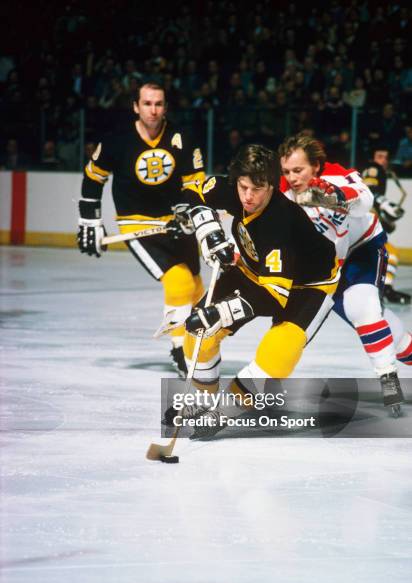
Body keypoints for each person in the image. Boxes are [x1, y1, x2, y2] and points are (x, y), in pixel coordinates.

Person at [165, 144, 340, 434]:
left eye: (257, 189)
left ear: (272, 185)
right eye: (243, 187)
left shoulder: (280, 221)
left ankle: (221, 412)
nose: (248, 197)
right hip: (253, 269)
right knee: (197, 334)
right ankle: (200, 402)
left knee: (278, 354)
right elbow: (194, 190)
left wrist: (222, 312)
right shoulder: (237, 189)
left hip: (308, 286)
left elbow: (272, 298)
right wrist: (208, 231)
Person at [77, 81, 206, 376]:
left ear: (165, 107)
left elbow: (195, 182)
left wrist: (187, 212)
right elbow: (92, 178)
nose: (153, 110)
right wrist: (90, 220)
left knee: (197, 288)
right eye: (147, 103)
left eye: (158, 104)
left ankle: (197, 345)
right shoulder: (117, 140)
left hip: (176, 223)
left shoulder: (181, 137)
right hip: (138, 225)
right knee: (179, 283)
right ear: (136, 106)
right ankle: (180, 350)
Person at [278, 134, 407, 414]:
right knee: (384, 329)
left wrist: (334, 197)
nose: (291, 178)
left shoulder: (337, 176)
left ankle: (387, 377)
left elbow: (365, 200)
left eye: (298, 170)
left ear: (315, 165)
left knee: (363, 310)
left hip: (363, 248)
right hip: (328, 265)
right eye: (286, 171)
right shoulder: (283, 195)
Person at [361, 146, 410, 305]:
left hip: (364, 224)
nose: (383, 160)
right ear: (372, 158)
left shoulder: (378, 170)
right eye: (379, 156)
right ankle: (385, 289)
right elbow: (370, 190)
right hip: (363, 225)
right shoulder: (374, 168)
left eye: (385, 157)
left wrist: (384, 220)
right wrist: (385, 203)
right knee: (391, 253)